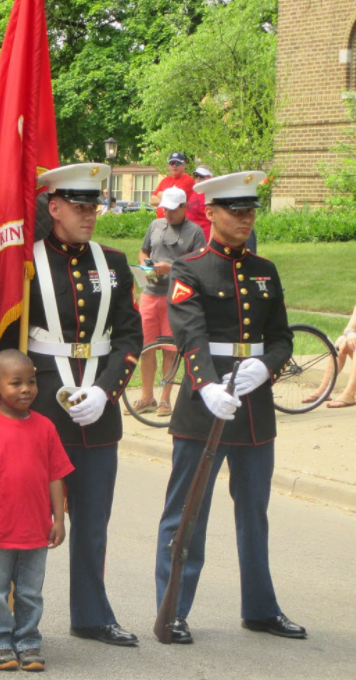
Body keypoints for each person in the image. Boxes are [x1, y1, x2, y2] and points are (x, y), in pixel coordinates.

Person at [155, 171, 306, 644]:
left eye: (250, 211)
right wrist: (205, 386)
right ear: (213, 213)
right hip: (207, 405)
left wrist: (268, 367)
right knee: (186, 512)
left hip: (255, 407)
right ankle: (172, 610)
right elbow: (189, 332)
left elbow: (281, 336)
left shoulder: (266, 269)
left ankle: (260, 608)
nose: (245, 219)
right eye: (235, 211)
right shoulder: (190, 269)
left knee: (254, 513)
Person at [6, 163, 142, 647]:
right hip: (41, 406)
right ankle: (19, 621)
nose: (89, 215)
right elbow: (8, 339)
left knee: (93, 522)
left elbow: (129, 334)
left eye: (94, 206)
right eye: (80, 206)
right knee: (28, 521)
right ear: (54, 206)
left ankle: (91, 614)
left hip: (97, 408)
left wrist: (106, 390)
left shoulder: (114, 262)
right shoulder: (26, 263)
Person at [0, 350, 74, 672]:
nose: (26, 389)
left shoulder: (46, 427)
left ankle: (27, 641)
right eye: (16, 383)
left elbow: (55, 476)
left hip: (36, 530)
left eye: (32, 382)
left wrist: (58, 519)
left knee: (30, 592)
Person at [134, 187, 206, 416]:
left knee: (169, 349)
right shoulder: (155, 226)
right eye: (165, 208)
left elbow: (199, 266)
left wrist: (171, 268)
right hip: (149, 292)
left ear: (184, 208)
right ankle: (147, 397)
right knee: (146, 348)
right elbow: (143, 250)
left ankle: (165, 399)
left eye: (173, 210)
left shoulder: (194, 232)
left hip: (176, 297)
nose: (167, 213)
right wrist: (145, 262)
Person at [150, 152, 195, 219]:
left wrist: (160, 194)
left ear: (184, 165)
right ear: (168, 166)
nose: (174, 165)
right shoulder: (165, 180)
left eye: (177, 163)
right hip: (161, 222)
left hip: (177, 222)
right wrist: (169, 200)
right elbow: (152, 200)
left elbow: (176, 198)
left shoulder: (188, 180)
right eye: (171, 163)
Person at [185, 165, 212, 241]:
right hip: (189, 235)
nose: (198, 178)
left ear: (209, 178)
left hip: (204, 237)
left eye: (201, 176)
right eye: (196, 176)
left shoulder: (211, 194)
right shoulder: (194, 192)